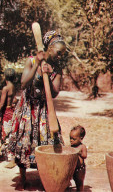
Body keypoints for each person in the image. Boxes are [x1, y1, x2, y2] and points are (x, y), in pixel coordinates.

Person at [7, 30, 66, 190]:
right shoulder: (32, 61)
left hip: (43, 109)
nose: (60, 56)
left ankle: (45, 177)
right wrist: (37, 70)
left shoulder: (57, 69)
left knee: (45, 141)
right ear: (49, 48)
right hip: (27, 108)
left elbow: (54, 93)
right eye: (58, 52)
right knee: (24, 140)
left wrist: (47, 74)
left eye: (62, 54)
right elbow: (24, 83)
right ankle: (23, 176)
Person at [0, 68, 18, 168]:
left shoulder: (6, 88)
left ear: (5, 76)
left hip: (6, 112)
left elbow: (2, 103)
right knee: (10, 132)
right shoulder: (13, 87)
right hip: (11, 111)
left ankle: (11, 159)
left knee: (5, 134)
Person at [70, 125, 87, 191]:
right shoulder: (71, 146)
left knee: (79, 182)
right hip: (73, 168)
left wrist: (79, 153)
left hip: (80, 169)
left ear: (81, 138)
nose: (71, 140)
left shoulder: (82, 147)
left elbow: (84, 156)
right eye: (70, 138)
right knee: (73, 179)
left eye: (74, 139)